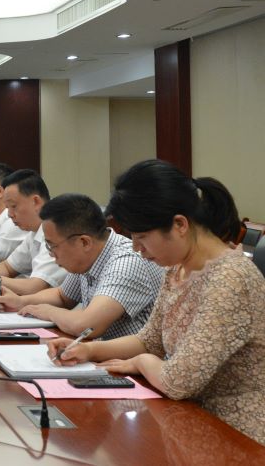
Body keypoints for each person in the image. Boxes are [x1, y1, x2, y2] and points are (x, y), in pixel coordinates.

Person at [48, 160, 265, 445]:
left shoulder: (230, 279)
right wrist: (88, 350)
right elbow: (150, 340)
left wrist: (141, 362)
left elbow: (177, 380)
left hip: (235, 432)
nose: (137, 249)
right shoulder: (177, 268)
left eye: (142, 237)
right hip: (186, 417)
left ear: (180, 224)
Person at [0, 193, 163, 339]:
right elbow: (62, 296)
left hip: (133, 365)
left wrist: (48, 311)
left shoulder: (125, 263)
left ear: (84, 242)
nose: (51, 254)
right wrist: (20, 302)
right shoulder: (88, 257)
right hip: (107, 357)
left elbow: (86, 326)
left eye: (52, 245)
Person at [0, 169, 66, 294]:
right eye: (7, 208)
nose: (9, 214)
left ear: (36, 201)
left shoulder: (57, 230)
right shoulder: (34, 231)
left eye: (13, 206)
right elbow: (8, 267)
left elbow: (35, 286)